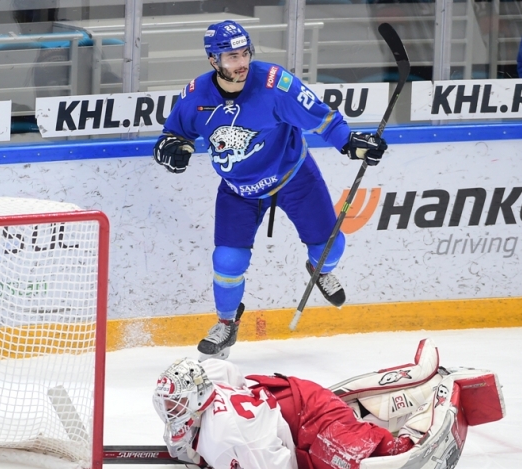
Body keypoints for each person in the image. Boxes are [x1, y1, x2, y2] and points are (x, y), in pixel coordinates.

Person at [153, 20, 388, 359]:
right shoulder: (195, 96)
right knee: (227, 261)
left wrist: (351, 143)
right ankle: (227, 324)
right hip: (238, 190)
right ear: (213, 60)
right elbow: (173, 135)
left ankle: (319, 271)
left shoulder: (275, 84)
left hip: (294, 178)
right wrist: (172, 150)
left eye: (245, 53)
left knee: (331, 248)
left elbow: (323, 119)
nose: (242, 62)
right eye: (232, 57)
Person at [152, 339, 505, 469]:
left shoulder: (222, 435)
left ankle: (446, 394)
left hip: (311, 428)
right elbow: (230, 373)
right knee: (351, 417)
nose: (171, 412)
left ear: (198, 400)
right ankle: (417, 384)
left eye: (176, 404)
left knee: (385, 457)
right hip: (297, 396)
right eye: (169, 405)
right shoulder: (209, 380)